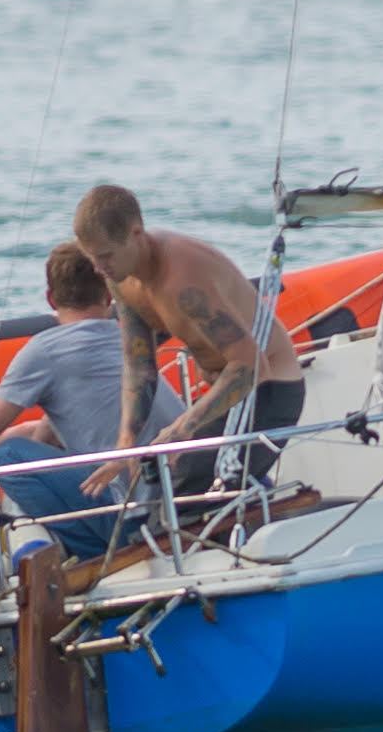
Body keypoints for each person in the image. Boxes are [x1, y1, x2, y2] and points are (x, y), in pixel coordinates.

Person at [74, 182, 304, 507]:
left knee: (181, 497)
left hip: (268, 387)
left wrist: (185, 426)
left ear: (136, 235)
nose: (99, 268)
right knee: (164, 484)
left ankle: (251, 501)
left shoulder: (183, 278)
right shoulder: (121, 277)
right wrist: (126, 444)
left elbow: (252, 365)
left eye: (106, 256)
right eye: (92, 258)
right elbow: (139, 365)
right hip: (222, 394)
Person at [0, 242, 133, 558]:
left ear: (50, 299)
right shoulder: (127, 340)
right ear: (109, 295)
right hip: (166, 496)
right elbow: (43, 432)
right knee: (21, 442)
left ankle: (89, 553)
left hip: (125, 509)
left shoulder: (48, 350)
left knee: (9, 456)